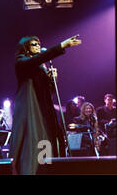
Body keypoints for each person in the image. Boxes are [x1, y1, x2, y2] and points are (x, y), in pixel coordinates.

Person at [9, 34, 82, 175]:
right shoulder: (21, 62)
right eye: (33, 44)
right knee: (33, 139)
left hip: (44, 108)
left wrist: (52, 79)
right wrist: (62, 45)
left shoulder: (41, 66)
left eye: (38, 44)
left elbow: (49, 92)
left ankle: (45, 169)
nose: (37, 46)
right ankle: (29, 170)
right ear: (25, 48)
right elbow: (38, 59)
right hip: (30, 109)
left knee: (47, 138)